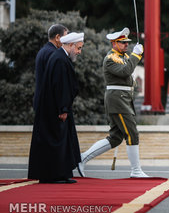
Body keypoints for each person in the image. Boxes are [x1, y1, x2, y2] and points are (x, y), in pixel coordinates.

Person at [78, 27, 148, 178]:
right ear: (114, 43)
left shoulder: (122, 57)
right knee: (132, 133)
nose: (126, 45)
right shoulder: (111, 58)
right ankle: (136, 171)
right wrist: (136, 55)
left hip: (122, 99)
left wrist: (133, 56)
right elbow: (125, 71)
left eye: (127, 42)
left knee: (115, 137)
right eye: (122, 42)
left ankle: (82, 158)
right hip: (118, 100)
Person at [28, 32, 84, 183]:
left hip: (56, 109)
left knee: (62, 141)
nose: (79, 52)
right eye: (78, 48)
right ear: (70, 45)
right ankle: (52, 176)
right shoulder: (59, 59)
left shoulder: (60, 57)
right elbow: (60, 87)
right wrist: (63, 109)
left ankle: (62, 174)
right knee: (55, 141)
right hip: (55, 110)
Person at [33, 24, 68, 110]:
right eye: (65, 37)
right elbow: (56, 82)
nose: (67, 41)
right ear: (57, 37)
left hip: (42, 101)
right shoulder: (54, 54)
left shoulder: (43, 51)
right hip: (50, 104)